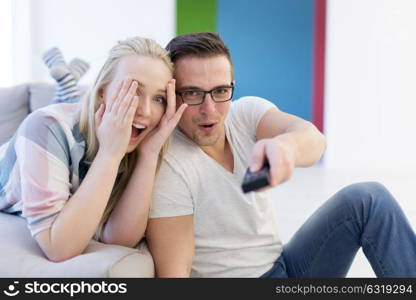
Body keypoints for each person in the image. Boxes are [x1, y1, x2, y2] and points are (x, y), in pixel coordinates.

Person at [145, 32, 416, 277]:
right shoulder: (169, 164)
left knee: (369, 198)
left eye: (220, 91)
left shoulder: (245, 113)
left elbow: (314, 139)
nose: (210, 109)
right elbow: (174, 275)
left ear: (231, 86)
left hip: (285, 266)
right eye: (192, 93)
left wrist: (286, 146)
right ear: (172, 95)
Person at [0, 37, 187, 262]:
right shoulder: (45, 127)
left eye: (159, 98)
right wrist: (109, 154)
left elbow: (119, 238)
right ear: (101, 92)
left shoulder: (140, 142)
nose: (146, 111)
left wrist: (148, 155)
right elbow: (59, 248)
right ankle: (66, 84)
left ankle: (67, 85)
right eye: (133, 90)